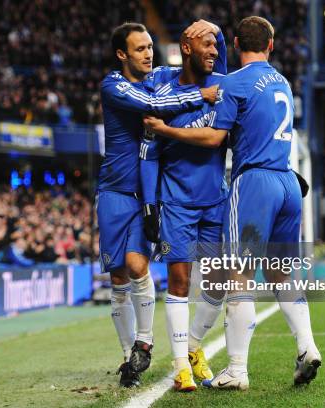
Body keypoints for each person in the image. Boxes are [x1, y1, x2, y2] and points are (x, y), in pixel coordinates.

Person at [143, 16, 321, 390]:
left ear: (236, 45)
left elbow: (214, 138)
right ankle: (307, 347)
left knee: (238, 275)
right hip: (288, 182)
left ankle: (237, 369)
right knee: (280, 273)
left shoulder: (234, 84)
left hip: (254, 182)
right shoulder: (283, 81)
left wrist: (164, 130)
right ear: (270, 46)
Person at [99, 21, 219, 387]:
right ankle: (128, 358)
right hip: (114, 192)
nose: (149, 53)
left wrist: (210, 35)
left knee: (137, 266)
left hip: (147, 195)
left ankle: (145, 343)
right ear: (122, 54)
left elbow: (192, 72)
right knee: (118, 277)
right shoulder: (114, 85)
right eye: (140, 49)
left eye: (150, 46)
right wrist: (203, 96)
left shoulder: (159, 76)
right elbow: (153, 105)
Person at [139, 23, 228, 392]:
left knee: (220, 282)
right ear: (186, 48)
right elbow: (148, 152)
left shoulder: (222, 85)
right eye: (207, 44)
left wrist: (218, 32)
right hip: (177, 201)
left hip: (216, 200)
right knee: (179, 282)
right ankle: (180, 366)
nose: (214, 50)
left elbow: (225, 55)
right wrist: (149, 205)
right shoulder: (162, 90)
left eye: (217, 45)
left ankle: (192, 346)